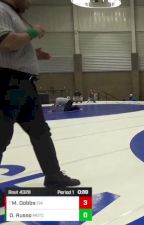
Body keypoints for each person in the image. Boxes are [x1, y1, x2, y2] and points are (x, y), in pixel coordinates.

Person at [0, 0, 80, 188]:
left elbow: (13, 48)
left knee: (40, 132)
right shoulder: (2, 10)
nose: (29, 4)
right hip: (8, 83)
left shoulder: (11, 12)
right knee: (2, 135)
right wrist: (34, 31)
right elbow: (7, 42)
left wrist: (32, 54)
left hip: (23, 84)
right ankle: (53, 175)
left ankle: (53, 175)